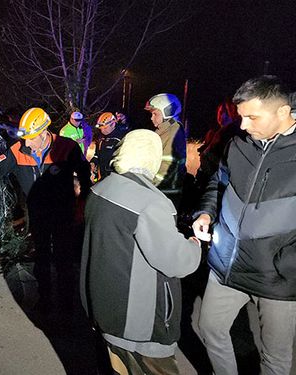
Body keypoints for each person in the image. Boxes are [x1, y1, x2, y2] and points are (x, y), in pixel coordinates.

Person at [192, 75, 296, 375]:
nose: (243, 125)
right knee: (210, 328)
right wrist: (206, 213)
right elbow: (217, 183)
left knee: (274, 358)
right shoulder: (237, 144)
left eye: (252, 117)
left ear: (283, 112)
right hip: (227, 266)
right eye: (241, 117)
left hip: (277, 279)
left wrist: (288, 264)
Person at [81, 129, 202, 374]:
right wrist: (194, 245)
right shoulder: (152, 202)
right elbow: (176, 263)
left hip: (106, 312)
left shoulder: (99, 189)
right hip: (141, 325)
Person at [0, 107, 91, 310]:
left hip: (63, 213)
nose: (26, 143)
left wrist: (83, 199)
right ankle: (45, 300)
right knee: (42, 257)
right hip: (38, 213)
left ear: (44, 133)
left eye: (31, 138)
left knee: (63, 259)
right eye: (24, 138)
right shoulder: (19, 150)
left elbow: (84, 171)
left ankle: (67, 304)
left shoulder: (66, 147)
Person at [145, 93, 187, 206]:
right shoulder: (163, 130)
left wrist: (148, 185)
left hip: (166, 192)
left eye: (155, 114)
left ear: (168, 112)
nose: (151, 117)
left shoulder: (174, 131)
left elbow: (167, 163)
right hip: (160, 191)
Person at [90, 112, 129, 181]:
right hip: (102, 177)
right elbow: (97, 155)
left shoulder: (121, 139)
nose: (102, 130)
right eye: (101, 128)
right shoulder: (101, 139)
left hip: (114, 179)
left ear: (113, 124)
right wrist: (93, 162)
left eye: (105, 128)